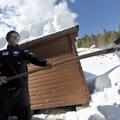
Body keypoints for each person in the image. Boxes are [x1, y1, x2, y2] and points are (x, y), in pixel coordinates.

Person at [0, 30, 54, 120]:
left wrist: (45, 63)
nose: (16, 37)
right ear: (8, 39)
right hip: (5, 89)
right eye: (12, 36)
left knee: (24, 114)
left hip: (21, 88)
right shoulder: (1, 53)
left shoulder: (23, 52)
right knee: (3, 113)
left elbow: (34, 58)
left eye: (17, 36)